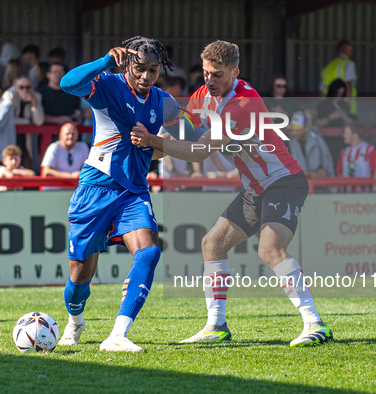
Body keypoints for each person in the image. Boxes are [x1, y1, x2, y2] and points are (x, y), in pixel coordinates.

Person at [131, 40, 333, 347]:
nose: (210, 81)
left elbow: (199, 152)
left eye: (218, 74)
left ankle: (315, 324)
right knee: (212, 244)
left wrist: (151, 142)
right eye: (206, 73)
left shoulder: (243, 104)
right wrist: (145, 145)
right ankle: (216, 326)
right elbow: (177, 135)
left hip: (284, 181)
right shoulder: (203, 95)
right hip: (255, 188)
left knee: (269, 249)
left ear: (235, 72)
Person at [58, 36, 181, 353]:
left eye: (153, 70)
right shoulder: (107, 85)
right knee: (79, 277)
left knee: (149, 253)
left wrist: (154, 141)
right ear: (127, 62)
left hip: (134, 191)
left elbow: (186, 131)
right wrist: (103, 61)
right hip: (96, 187)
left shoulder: (163, 101)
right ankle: (75, 321)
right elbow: (67, 84)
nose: (146, 76)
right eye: (140, 68)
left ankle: (117, 335)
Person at [2, 76, 45, 171]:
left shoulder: (36, 96)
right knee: (11, 162)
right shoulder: (9, 95)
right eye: (21, 87)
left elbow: (39, 121)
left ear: (32, 87)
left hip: (27, 137)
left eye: (28, 87)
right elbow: (8, 119)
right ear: (16, 87)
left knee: (29, 160)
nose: (25, 90)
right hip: (11, 135)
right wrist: (27, 122)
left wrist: (34, 104)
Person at [336, 121, 376, 192]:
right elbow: (339, 173)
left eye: (346, 132)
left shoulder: (370, 150)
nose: (343, 135)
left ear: (355, 135)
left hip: (364, 197)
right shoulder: (344, 151)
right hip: (345, 197)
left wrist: (374, 193)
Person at [288, 111, 335, 181]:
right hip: (300, 184)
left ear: (306, 127)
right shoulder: (291, 140)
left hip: (318, 185)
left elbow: (327, 163)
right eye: (293, 129)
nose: (294, 132)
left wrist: (324, 172)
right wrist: (309, 173)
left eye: (298, 129)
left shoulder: (316, 139)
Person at [40, 122, 89, 190]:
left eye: (73, 134)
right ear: (60, 136)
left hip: (74, 190)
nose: (70, 136)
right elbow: (46, 172)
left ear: (77, 135)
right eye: (67, 134)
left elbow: (86, 170)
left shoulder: (83, 147)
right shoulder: (54, 147)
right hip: (53, 190)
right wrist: (69, 176)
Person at [320, 39, 357, 113]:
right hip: (342, 106)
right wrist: (348, 109)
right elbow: (348, 85)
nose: (352, 53)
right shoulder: (348, 64)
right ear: (343, 50)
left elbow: (321, 90)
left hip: (328, 107)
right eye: (350, 50)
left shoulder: (328, 66)